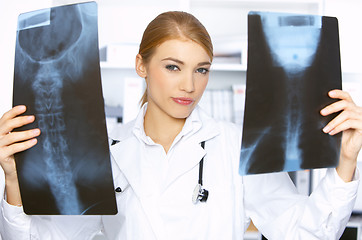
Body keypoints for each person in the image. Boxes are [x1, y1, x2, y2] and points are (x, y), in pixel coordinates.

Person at [0, 11, 361, 240]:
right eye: (173, 66)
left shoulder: (238, 144)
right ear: (141, 65)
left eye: (201, 69)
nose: (190, 85)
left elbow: (307, 232)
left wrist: (346, 161)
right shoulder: (104, 148)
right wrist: (14, 182)